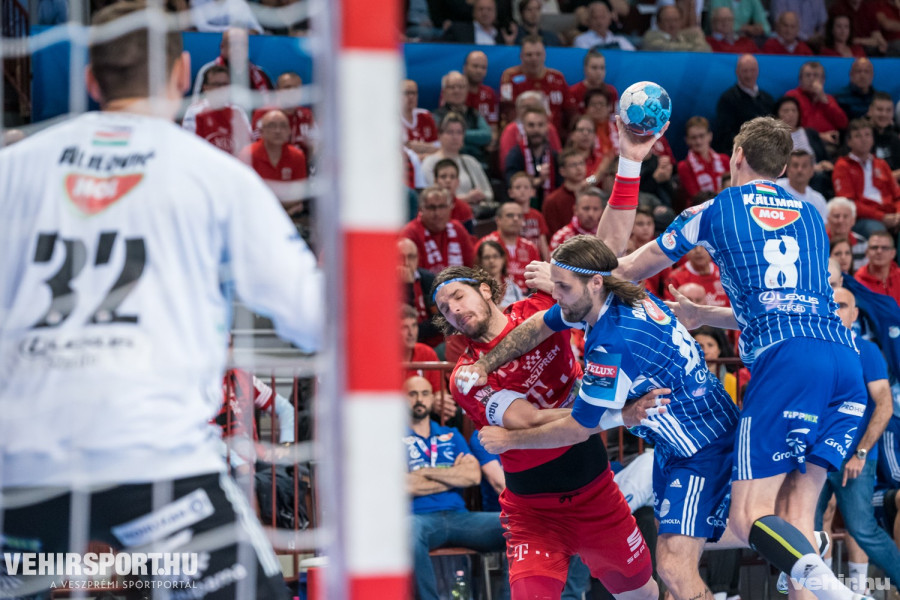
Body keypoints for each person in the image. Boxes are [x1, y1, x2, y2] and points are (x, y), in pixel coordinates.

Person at [0, 3, 321, 598]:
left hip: (21, 474)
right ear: (180, 75)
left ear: (91, 79)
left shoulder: (12, 169)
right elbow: (314, 319)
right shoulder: (213, 176)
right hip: (154, 469)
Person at [612, 115, 872, 600]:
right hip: (843, 359)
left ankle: (837, 591)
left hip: (788, 363)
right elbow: (785, 304)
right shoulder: (810, 216)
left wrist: (569, 273)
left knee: (748, 514)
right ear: (784, 167)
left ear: (735, 156)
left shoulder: (713, 210)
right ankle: (820, 576)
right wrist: (702, 314)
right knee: (796, 517)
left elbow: (627, 268)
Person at [432, 124, 668, 600]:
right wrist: (613, 413)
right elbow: (530, 421)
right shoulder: (465, 376)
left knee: (642, 595)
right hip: (533, 510)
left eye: (457, 296)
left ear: (485, 288)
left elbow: (603, 260)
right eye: (443, 309)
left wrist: (628, 162)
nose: (453, 310)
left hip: (596, 493)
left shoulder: (540, 307)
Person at [465, 234, 741, 600]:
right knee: (688, 545)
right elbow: (541, 324)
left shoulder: (612, 345)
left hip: (700, 443)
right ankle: (786, 536)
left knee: (674, 566)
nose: (555, 294)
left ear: (595, 282)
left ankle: (789, 542)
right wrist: (485, 364)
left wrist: (509, 440)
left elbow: (579, 428)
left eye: (563, 286)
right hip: (681, 439)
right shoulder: (624, 294)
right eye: (554, 284)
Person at [808, 287, 900, 593]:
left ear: (855, 314)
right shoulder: (810, 348)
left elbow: (885, 405)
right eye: (830, 305)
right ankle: (815, 593)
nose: (835, 311)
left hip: (854, 457)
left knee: (863, 530)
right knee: (805, 527)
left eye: (843, 305)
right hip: (813, 457)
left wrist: (861, 453)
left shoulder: (866, 350)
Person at [404, 375, 508, 600]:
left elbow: (472, 476)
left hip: (460, 518)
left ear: (432, 399)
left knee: (516, 525)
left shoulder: (450, 435)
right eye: (412, 394)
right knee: (407, 531)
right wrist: (452, 474)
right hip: (419, 519)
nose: (419, 399)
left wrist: (423, 472)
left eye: (424, 393)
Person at [832, 118, 900, 239]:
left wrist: (898, 214)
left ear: (873, 139)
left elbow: (897, 195)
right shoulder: (843, 166)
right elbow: (849, 203)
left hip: (890, 214)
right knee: (878, 231)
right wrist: (881, 217)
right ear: (849, 142)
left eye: (867, 135)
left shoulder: (881, 164)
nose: (864, 139)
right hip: (863, 218)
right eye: (858, 136)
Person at [499, 36, 576, 135]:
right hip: (522, 135)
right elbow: (507, 112)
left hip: (555, 135)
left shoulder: (558, 78)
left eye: (538, 54)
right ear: (521, 56)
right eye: (529, 55)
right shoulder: (509, 77)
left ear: (544, 55)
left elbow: (571, 111)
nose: (534, 58)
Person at [422, 113, 495, 207]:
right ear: (439, 136)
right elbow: (430, 198)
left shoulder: (470, 161)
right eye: (450, 132)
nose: (455, 137)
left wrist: (480, 195)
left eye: (459, 132)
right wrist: (466, 198)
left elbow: (489, 193)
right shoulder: (430, 162)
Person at [401, 187, 476, 274]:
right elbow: (413, 274)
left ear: (450, 208)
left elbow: (472, 266)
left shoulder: (457, 229)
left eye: (442, 206)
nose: (437, 213)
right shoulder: (410, 233)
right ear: (421, 209)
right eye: (431, 207)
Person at [239, 109, 308, 203]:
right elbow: (244, 194)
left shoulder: (297, 156)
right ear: (261, 131)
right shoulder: (247, 154)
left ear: (289, 131)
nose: (277, 131)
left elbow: (298, 196)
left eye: (283, 126)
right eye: (271, 126)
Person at [182, 64, 253, 156]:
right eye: (217, 85)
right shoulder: (195, 111)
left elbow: (248, 144)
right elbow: (189, 144)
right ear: (206, 88)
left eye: (225, 84)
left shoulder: (238, 111)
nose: (221, 89)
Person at [713, 54, 774, 155]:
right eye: (745, 71)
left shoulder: (767, 99)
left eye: (752, 70)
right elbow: (725, 134)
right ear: (737, 72)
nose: (749, 75)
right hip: (741, 153)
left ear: (757, 71)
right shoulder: (727, 99)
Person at [191, 27, 272, 102]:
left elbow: (269, 104)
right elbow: (197, 104)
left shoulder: (261, 74)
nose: (238, 48)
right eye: (233, 44)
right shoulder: (208, 71)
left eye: (242, 44)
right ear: (222, 47)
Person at [504, 107, 561, 209]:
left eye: (540, 125)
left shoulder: (554, 157)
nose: (536, 130)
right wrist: (538, 181)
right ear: (524, 127)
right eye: (531, 125)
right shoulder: (515, 155)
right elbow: (511, 183)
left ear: (547, 127)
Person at [250, 71, 317, 158]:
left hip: (300, 163)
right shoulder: (263, 113)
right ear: (277, 91)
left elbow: (316, 146)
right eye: (287, 87)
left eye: (296, 88)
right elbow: (258, 146)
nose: (292, 92)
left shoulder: (307, 114)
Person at [478, 201, 541, 290]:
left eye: (519, 216)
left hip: (527, 295)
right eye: (510, 215)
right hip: (496, 294)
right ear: (498, 220)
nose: (515, 219)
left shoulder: (530, 247)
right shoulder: (485, 245)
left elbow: (538, 279)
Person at [433, 71, 493, 164]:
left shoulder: (474, 113)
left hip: (478, 162)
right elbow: (441, 138)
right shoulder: (437, 116)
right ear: (444, 92)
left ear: (466, 91)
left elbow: (487, 135)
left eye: (461, 87)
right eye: (452, 87)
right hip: (450, 162)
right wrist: (474, 138)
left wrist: (455, 134)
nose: (457, 91)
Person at [785, 62, 849, 147]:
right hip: (801, 143)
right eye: (808, 75)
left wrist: (824, 100)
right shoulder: (792, 97)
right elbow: (789, 125)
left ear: (823, 80)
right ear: (800, 79)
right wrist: (819, 136)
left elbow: (843, 124)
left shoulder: (828, 99)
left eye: (816, 75)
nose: (812, 79)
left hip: (830, 145)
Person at [677, 116, 730, 206]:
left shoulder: (724, 159)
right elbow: (695, 196)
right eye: (693, 137)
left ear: (710, 136)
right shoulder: (684, 166)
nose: (698, 141)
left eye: (701, 136)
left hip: (726, 203)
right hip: (700, 208)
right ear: (687, 140)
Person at [664, 246, 730, 308]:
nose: (698, 251)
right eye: (694, 247)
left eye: (703, 246)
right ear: (686, 251)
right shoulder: (675, 277)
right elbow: (671, 308)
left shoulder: (725, 274)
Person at [542, 148, 587, 235]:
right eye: (573, 165)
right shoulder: (553, 200)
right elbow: (551, 234)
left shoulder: (595, 196)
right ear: (562, 171)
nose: (579, 168)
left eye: (581, 163)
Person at [462, 50, 501, 151]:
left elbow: (493, 127)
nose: (479, 71)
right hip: (461, 144)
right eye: (475, 66)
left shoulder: (489, 93)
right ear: (465, 68)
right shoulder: (455, 91)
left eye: (483, 67)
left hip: (484, 146)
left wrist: (492, 141)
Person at [508, 171, 551, 260]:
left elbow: (542, 242)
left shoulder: (537, 215)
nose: (522, 191)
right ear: (511, 193)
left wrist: (547, 262)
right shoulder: (509, 215)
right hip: (517, 259)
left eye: (526, 187)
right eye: (518, 187)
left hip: (536, 259)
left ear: (533, 192)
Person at [776, 150, 828, 220]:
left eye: (804, 166)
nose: (799, 170)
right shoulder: (775, 188)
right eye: (795, 165)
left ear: (812, 171)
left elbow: (823, 225)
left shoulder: (818, 200)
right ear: (787, 169)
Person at [549, 187, 605, 251]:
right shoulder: (561, 238)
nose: (591, 214)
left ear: (602, 211)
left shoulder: (606, 236)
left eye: (595, 209)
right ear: (575, 210)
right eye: (586, 208)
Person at [854, 231, 900, 306]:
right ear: (867, 252)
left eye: (884, 248)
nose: (879, 251)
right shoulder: (858, 282)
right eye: (874, 248)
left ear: (893, 253)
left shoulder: (898, 276)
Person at [477, 240, 527, 308]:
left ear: (503, 259)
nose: (491, 260)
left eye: (495, 256)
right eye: (486, 257)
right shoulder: (475, 288)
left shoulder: (514, 288)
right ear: (480, 261)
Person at [441, 0, 517, 44]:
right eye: (481, 9)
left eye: (489, 9)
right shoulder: (458, 30)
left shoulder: (503, 35)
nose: (485, 13)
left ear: (495, 13)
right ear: (473, 12)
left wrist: (509, 44)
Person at [826, 197, 869, 272]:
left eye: (845, 216)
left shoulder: (862, 243)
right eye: (836, 216)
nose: (841, 220)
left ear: (853, 220)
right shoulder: (816, 242)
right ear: (828, 219)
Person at [642, 4, 711, 52]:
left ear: (681, 21)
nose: (672, 24)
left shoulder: (686, 36)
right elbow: (668, 49)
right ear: (658, 23)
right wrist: (695, 47)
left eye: (676, 20)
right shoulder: (650, 36)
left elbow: (706, 49)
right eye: (667, 20)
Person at [402, 79, 440, 160]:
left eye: (414, 93)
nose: (411, 97)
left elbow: (440, 146)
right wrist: (429, 149)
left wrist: (421, 147)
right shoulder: (391, 120)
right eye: (406, 93)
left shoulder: (425, 115)